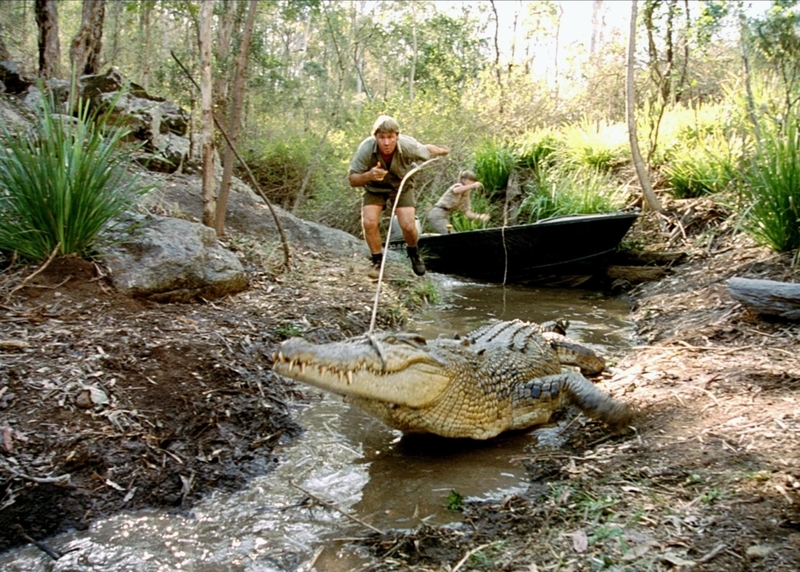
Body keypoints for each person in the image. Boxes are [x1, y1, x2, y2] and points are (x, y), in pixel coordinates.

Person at [349, 115, 450, 278]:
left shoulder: (408, 145)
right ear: (375, 137)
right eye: (382, 138)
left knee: (408, 225)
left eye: (390, 137)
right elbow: (353, 179)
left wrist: (442, 150)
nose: (386, 142)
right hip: (374, 188)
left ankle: (413, 252)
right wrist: (369, 175)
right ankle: (377, 261)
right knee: (369, 222)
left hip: (402, 186)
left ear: (397, 136)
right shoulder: (366, 149)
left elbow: (427, 150)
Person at [427, 170, 490, 234]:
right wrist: (473, 186)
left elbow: (468, 213)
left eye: (473, 181)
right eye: (470, 180)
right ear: (463, 180)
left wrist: (479, 217)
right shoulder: (458, 185)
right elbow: (456, 190)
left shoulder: (466, 196)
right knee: (451, 235)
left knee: (453, 235)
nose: (472, 182)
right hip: (437, 214)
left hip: (445, 216)